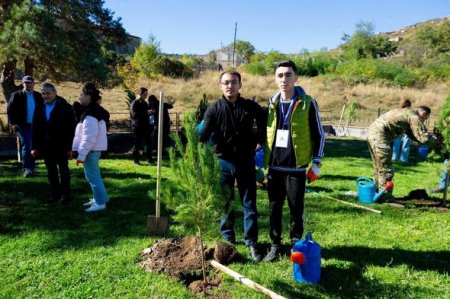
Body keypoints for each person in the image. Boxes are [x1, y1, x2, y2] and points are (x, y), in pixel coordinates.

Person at [199, 70, 266, 262]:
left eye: (234, 82)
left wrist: (260, 140)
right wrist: (198, 154)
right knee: (225, 204)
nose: (230, 86)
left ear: (240, 85)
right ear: (221, 86)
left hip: (246, 161)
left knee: (249, 203)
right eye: (226, 82)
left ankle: (251, 242)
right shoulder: (214, 108)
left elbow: (265, 121)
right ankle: (228, 240)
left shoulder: (250, 106)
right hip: (223, 162)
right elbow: (203, 134)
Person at [263, 60, 325, 262]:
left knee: (296, 208)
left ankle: (296, 244)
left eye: (288, 75)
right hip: (274, 167)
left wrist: (317, 162)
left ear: (296, 78)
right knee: (274, 207)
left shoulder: (308, 103)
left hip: (296, 167)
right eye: (280, 75)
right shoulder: (271, 104)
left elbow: (320, 135)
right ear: (275, 79)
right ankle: (275, 244)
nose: (284, 79)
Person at [367, 106, 441, 199]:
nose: (423, 122)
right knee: (386, 169)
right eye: (424, 119)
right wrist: (439, 144)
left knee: (379, 167)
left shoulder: (406, 112)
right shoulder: (414, 117)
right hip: (379, 136)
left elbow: (412, 134)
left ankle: (376, 194)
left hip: (372, 133)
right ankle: (385, 198)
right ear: (423, 114)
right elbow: (424, 138)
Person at [31, 83, 76, 204]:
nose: (45, 96)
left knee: (64, 170)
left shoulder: (65, 107)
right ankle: (55, 194)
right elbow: (35, 128)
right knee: (51, 172)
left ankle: (66, 195)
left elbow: (72, 128)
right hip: (46, 146)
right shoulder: (39, 107)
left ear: (55, 93)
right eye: (43, 93)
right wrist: (34, 146)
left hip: (62, 145)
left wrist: (70, 146)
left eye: (48, 93)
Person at [72, 83, 110, 212]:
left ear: (89, 96)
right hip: (92, 150)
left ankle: (100, 203)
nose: (79, 97)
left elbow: (89, 137)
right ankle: (99, 198)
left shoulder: (91, 113)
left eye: (81, 94)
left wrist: (81, 155)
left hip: (91, 151)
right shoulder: (92, 111)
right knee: (93, 176)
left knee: (93, 177)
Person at [7, 75, 43, 177]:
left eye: (30, 82)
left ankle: (31, 167)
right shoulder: (16, 95)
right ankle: (27, 169)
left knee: (34, 146)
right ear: (22, 84)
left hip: (36, 126)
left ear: (34, 84)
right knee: (26, 146)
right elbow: (10, 110)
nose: (28, 84)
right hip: (22, 126)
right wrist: (13, 123)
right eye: (26, 83)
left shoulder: (38, 96)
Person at [130, 87, 153, 165]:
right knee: (137, 144)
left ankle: (149, 159)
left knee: (149, 143)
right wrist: (146, 112)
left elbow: (147, 113)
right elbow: (135, 115)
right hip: (137, 127)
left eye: (147, 95)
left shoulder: (145, 103)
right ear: (140, 94)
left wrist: (151, 112)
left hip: (146, 126)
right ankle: (136, 161)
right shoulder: (134, 103)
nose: (146, 96)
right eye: (144, 95)